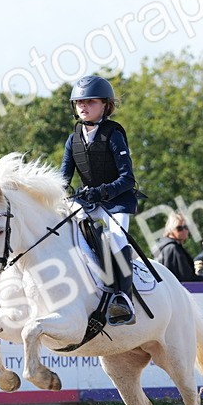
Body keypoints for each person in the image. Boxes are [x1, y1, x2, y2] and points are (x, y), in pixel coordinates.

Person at [59, 74, 140, 325]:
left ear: (105, 105)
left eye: (90, 101)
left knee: (116, 238)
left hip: (116, 202)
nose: (83, 106)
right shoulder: (73, 139)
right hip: (87, 202)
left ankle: (122, 299)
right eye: (79, 102)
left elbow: (128, 179)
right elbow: (62, 178)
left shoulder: (113, 134)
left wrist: (101, 191)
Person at [152, 213, 203, 283]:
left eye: (186, 227)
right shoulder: (173, 249)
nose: (184, 230)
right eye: (179, 228)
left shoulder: (165, 247)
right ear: (171, 230)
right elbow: (186, 278)